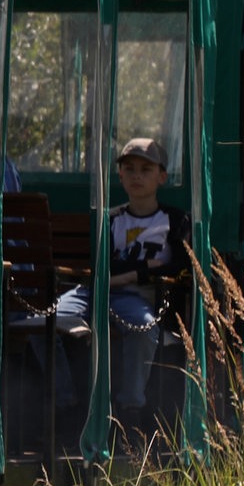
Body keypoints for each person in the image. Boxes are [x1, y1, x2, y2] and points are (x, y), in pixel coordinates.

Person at [49, 137, 189, 432]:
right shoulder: (110, 219)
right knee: (48, 319)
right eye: (130, 169)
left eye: (146, 169)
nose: (137, 176)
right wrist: (141, 269)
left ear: (162, 176)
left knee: (144, 329)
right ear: (121, 175)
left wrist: (129, 276)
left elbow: (177, 265)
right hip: (93, 291)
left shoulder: (174, 220)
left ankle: (130, 409)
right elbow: (102, 265)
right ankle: (67, 404)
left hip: (134, 298)